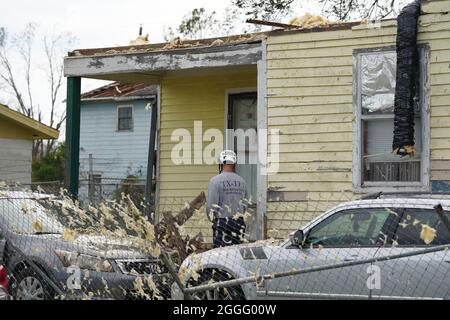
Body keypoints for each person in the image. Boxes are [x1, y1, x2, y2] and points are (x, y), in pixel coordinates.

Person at [206, 150, 249, 248]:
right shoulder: (242, 181)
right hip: (239, 223)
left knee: (220, 254)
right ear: (234, 163)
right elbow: (245, 204)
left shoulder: (215, 181)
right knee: (236, 253)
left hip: (222, 223)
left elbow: (211, 206)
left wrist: (212, 219)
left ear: (221, 163)